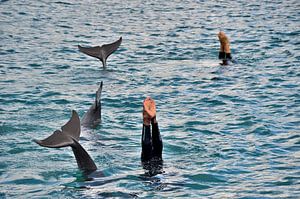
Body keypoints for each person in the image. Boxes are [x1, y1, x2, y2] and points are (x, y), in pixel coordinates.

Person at [141, 97, 163, 176]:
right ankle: (151, 120)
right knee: (155, 156)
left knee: (156, 155)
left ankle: (149, 120)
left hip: (156, 172)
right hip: (158, 171)